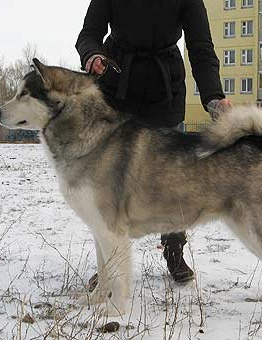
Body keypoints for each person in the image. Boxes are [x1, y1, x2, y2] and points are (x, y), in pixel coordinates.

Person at [76, 0, 232, 285]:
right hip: (116, 85)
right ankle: (110, 263)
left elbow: (200, 48)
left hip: (164, 90)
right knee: (109, 182)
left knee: (171, 179)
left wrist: (213, 95)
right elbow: (88, 34)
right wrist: (92, 55)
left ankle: (174, 250)